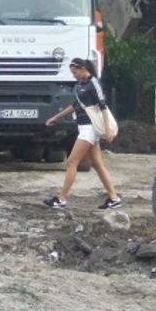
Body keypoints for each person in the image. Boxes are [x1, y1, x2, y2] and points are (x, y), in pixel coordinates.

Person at [43, 57, 121, 209]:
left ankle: (61, 199)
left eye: (75, 72)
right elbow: (76, 105)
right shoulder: (80, 86)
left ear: (83, 69)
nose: (74, 75)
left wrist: (108, 129)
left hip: (90, 128)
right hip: (84, 127)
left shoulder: (94, 84)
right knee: (97, 164)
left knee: (72, 162)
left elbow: (103, 107)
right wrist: (56, 118)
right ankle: (114, 197)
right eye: (72, 73)